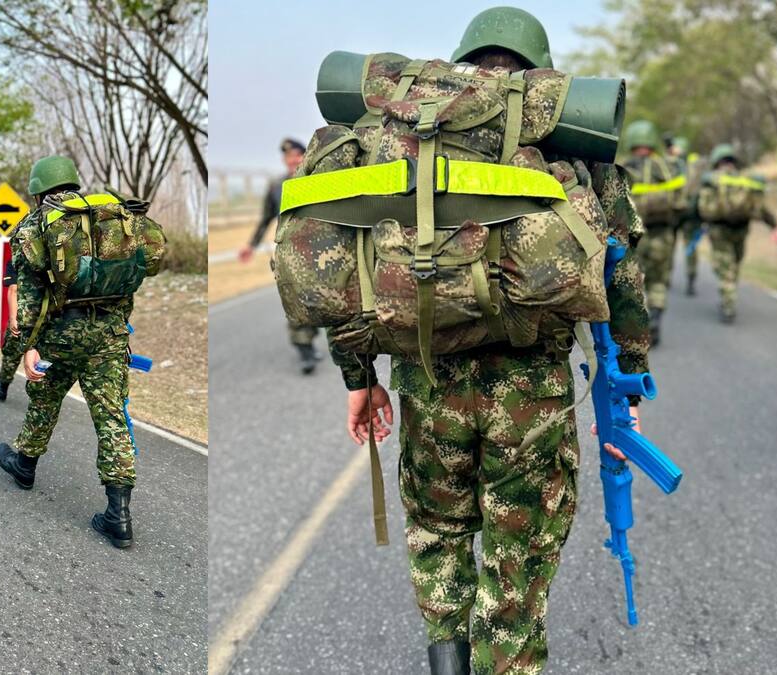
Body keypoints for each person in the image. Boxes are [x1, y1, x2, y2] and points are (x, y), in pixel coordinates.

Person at [314, 8, 651, 673]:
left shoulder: (402, 132)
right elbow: (621, 272)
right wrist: (629, 381)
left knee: (438, 531)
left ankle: (447, 661)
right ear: (541, 70)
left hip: (428, 379)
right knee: (514, 563)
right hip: (533, 393)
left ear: (463, 60)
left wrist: (360, 379)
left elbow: (341, 259)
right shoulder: (571, 136)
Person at [0, 155, 165, 549]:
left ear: (37, 192)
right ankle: (118, 515)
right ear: (73, 183)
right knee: (111, 417)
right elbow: (151, 261)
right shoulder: (111, 214)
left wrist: (28, 347)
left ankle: (24, 464)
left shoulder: (36, 225)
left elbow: (31, 298)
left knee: (44, 399)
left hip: (60, 335)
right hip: (109, 335)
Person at [238, 139, 321, 373]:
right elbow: (265, 219)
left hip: (321, 251)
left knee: (322, 300)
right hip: (289, 253)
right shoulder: (276, 187)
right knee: (295, 300)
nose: (293, 160)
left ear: (306, 156)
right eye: (289, 157)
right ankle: (305, 350)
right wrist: (250, 246)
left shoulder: (320, 180)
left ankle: (316, 340)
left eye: (297, 155)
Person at [695, 144, 777, 323]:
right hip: (741, 230)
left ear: (716, 161)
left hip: (718, 231)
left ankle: (728, 305)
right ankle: (729, 295)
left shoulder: (712, 180)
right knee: (734, 264)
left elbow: (699, 207)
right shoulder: (746, 180)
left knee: (724, 267)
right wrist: (774, 226)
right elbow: (761, 208)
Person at [623, 119, 684, 346]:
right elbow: (680, 203)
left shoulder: (624, 168)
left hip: (633, 238)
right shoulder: (667, 167)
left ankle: (638, 327)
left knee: (635, 282)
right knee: (659, 281)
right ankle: (656, 318)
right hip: (663, 234)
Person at [0, 214, 33, 401]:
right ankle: (37, 391)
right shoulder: (52, 257)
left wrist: (14, 319)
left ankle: (3, 386)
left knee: (11, 353)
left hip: (24, 314)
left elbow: (13, 290)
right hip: (47, 315)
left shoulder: (17, 259)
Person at [668, 136, 706, 295]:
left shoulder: (672, 164)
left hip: (676, 212)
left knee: (670, 244)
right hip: (691, 214)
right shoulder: (697, 164)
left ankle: (666, 277)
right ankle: (691, 278)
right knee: (690, 247)